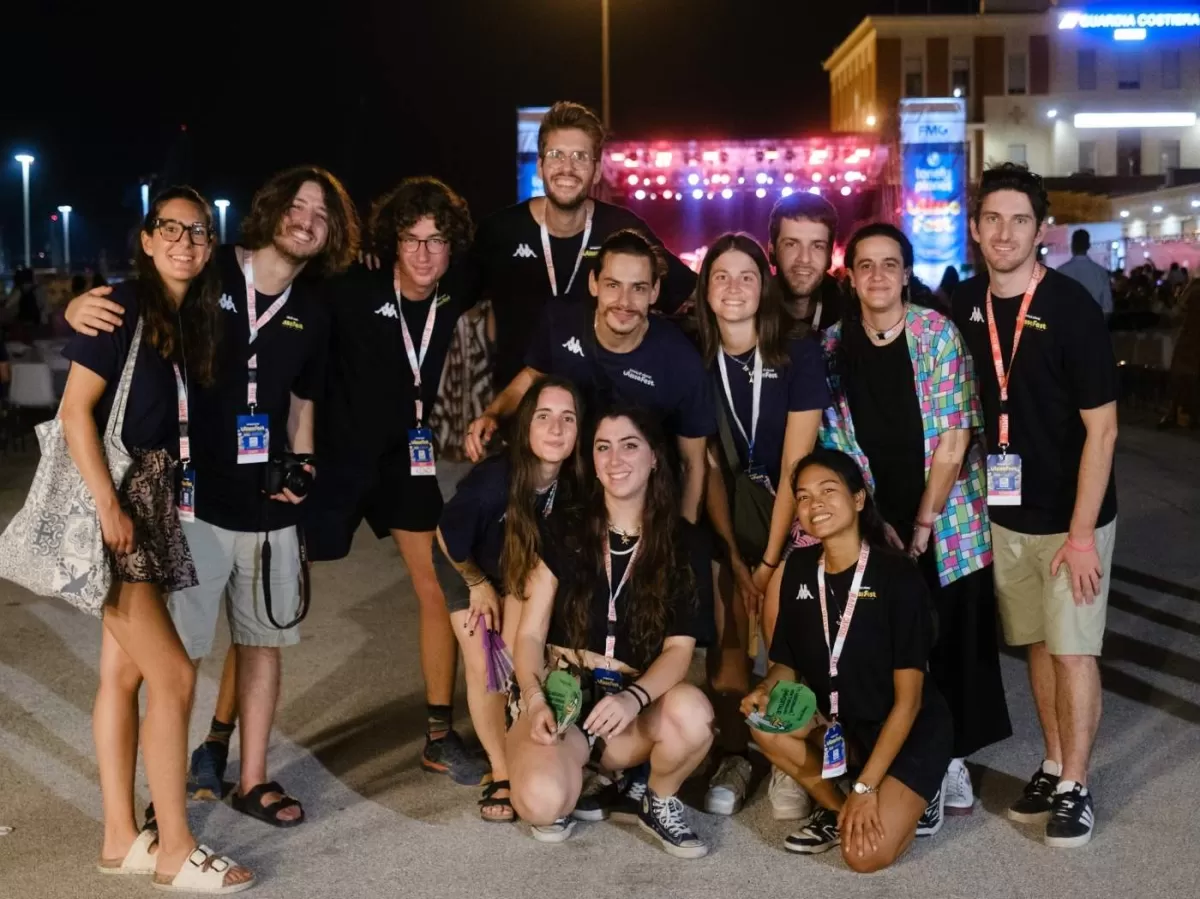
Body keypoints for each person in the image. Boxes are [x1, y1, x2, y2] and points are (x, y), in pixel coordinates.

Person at [65, 166, 360, 828]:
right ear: (271, 208)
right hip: (192, 501)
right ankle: (165, 797)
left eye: (322, 213)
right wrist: (77, 306)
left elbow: (302, 404)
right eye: (297, 203)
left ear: (332, 233)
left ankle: (252, 779)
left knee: (263, 645)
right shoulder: (211, 270)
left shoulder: (314, 309)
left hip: (271, 509)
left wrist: (303, 469)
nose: (306, 218)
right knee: (176, 662)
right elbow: (141, 294)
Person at [59, 187, 254, 891]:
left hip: (159, 504)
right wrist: (110, 505)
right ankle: (174, 846)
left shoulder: (189, 314)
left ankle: (120, 838)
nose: (185, 241)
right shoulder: (121, 306)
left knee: (122, 673)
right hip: (124, 510)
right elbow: (75, 410)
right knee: (172, 676)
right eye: (169, 228)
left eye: (198, 232)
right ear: (145, 239)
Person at [819, 222, 1011, 822]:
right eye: (865, 265)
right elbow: (836, 439)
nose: (877, 275)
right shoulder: (831, 345)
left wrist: (923, 525)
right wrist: (874, 522)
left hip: (945, 516)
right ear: (850, 277)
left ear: (907, 273)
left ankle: (950, 759)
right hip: (873, 517)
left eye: (890, 263)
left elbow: (954, 436)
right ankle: (905, 759)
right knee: (896, 646)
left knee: (953, 638)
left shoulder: (937, 334)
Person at [302, 176, 490, 785]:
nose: (424, 254)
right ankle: (219, 741)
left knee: (438, 585)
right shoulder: (350, 288)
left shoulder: (453, 288)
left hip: (406, 461)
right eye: (411, 240)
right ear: (391, 242)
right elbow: (276, 291)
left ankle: (439, 734)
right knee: (270, 599)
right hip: (334, 461)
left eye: (436, 241)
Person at [953, 163, 1119, 848]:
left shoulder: (1073, 308)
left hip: (1073, 518)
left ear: (1040, 230)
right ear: (974, 228)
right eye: (992, 218)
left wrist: (1081, 534)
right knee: (1039, 646)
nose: (1005, 232)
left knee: (1075, 651)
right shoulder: (962, 305)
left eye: (1019, 220)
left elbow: (1103, 429)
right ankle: (1053, 762)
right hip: (1006, 515)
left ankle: (1077, 784)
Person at [506, 405, 714, 857]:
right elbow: (528, 636)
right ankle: (578, 777)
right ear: (592, 460)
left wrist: (633, 697)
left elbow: (680, 651)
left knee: (693, 715)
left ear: (655, 457)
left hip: (627, 711)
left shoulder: (686, 541)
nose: (615, 458)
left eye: (629, 445)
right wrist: (534, 696)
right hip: (561, 700)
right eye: (603, 447)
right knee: (541, 803)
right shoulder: (562, 527)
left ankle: (657, 797)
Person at [744, 448, 953, 870]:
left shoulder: (897, 575)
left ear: (859, 498)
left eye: (827, 490)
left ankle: (916, 790)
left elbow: (909, 702)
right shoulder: (800, 567)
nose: (813, 504)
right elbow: (785, 660)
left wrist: (868, 787)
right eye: (802, 497)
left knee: (864, 857)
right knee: (764, 726)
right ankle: (839, 810)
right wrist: (766, 689)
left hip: (905, 728)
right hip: (842, 724)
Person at [688, 233, 828, 818]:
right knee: (726, 638)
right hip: (727, 516)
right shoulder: (694, 354)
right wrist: (734, 556)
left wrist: (767, 562)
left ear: (764, 286)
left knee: (783, 633)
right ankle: (735, 752)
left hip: (791, 515)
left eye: (747, 276)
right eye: (722, 276)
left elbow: (797, 466)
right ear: (706, 290)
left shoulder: (800, 350)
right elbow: (709, 464)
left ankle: (790, 756)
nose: (735, 287)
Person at [466, 229, 714, 525]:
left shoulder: (681, 361)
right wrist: (494, 413)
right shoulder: (561, 320)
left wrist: (684, 535)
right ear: (594, 283)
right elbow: (534, 374)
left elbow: (693, 464)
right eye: (613, 285)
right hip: (569, 483)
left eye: (638, 288)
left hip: (638, 497)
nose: (624, 302)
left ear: (654, 292)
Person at [471, 101, 696, 392]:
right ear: (540, 166)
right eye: (556, 155)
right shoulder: (499, 231)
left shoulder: (622, 228)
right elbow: (447, 298)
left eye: (580, 156)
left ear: (597, 170)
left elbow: (690, 293)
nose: (567, 167)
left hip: (602, 422)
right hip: (519, 416)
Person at [437, 376, 584, 820]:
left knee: (522, 652)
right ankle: (502, 772)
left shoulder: (576, 482)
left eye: (567, 419)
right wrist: (478, 585)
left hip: (519, 568)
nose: (556, 429)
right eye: (544, 417)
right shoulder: (494, 479)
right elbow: (447, 534)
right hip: (467, 565)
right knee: (486, 663)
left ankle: (530, 746)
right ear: (525, 428)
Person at [768, 192, 843, 336]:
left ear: (829, 255)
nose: (804, 259)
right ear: (772, 251)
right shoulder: (749, 313)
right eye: (791, 244)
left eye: (817, 246)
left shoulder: (851, 314)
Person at [1058, 230, 1113, 320]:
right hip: (1093, 325)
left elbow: (1055, 303)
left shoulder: (1061, 271)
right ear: (1088, 246)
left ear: (1072, 245)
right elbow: (1107, 307)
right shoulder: (1100, 272)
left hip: (1068, 327)